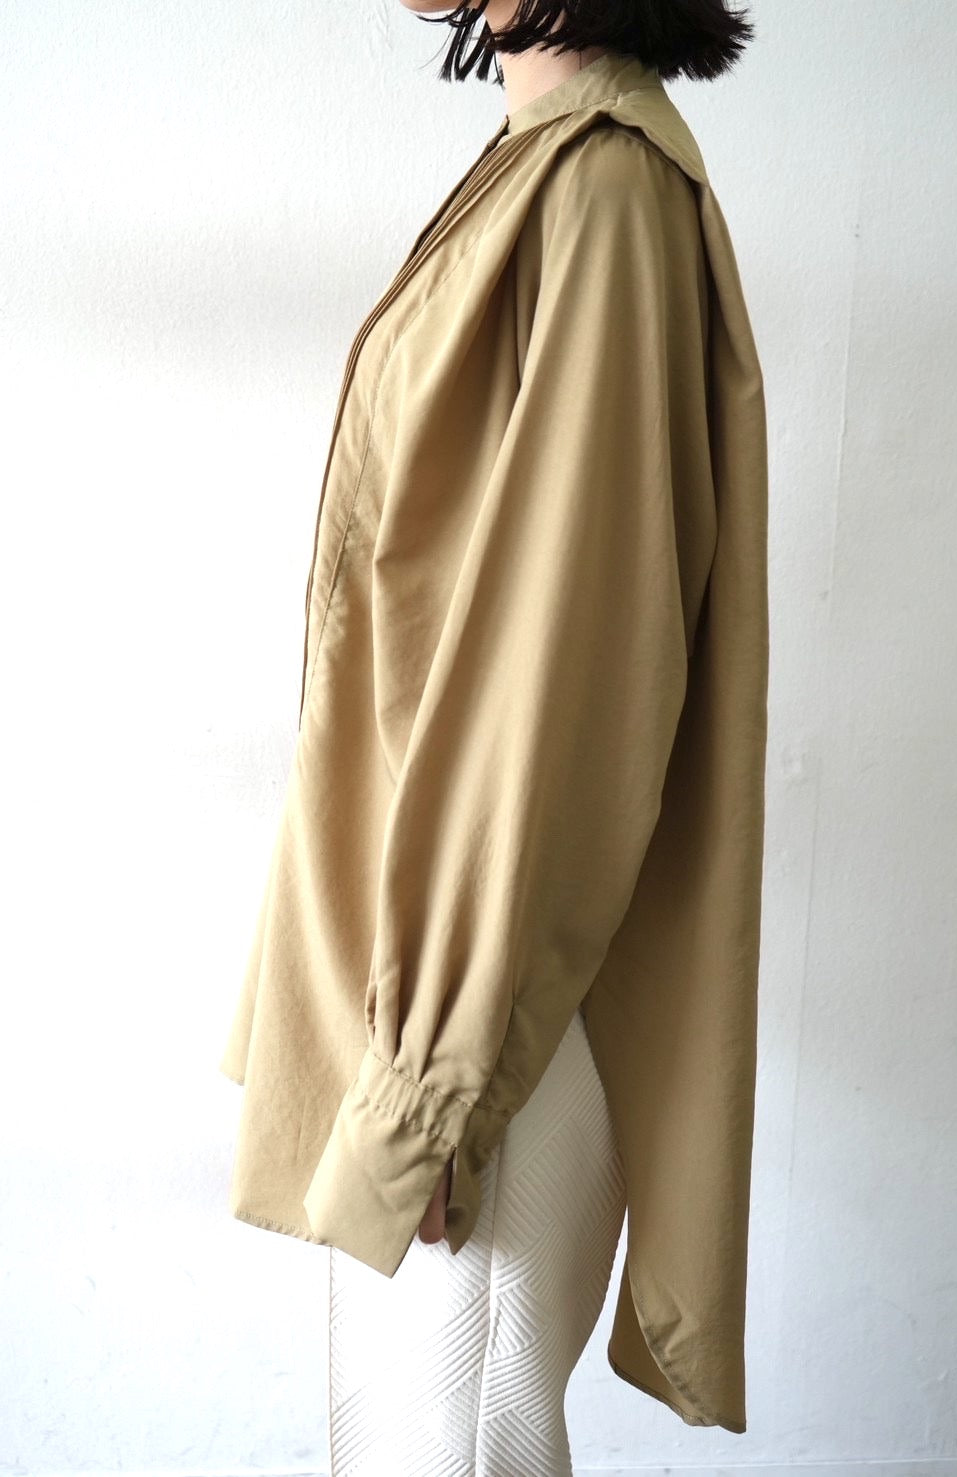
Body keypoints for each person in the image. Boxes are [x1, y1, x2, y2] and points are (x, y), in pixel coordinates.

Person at [218, 2, 768, 1471]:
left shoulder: (605, 192)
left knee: (450, 1447)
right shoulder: (538, 163)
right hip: (429, 965)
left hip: (494, 1009)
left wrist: (440, 1083)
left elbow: (567, 668)